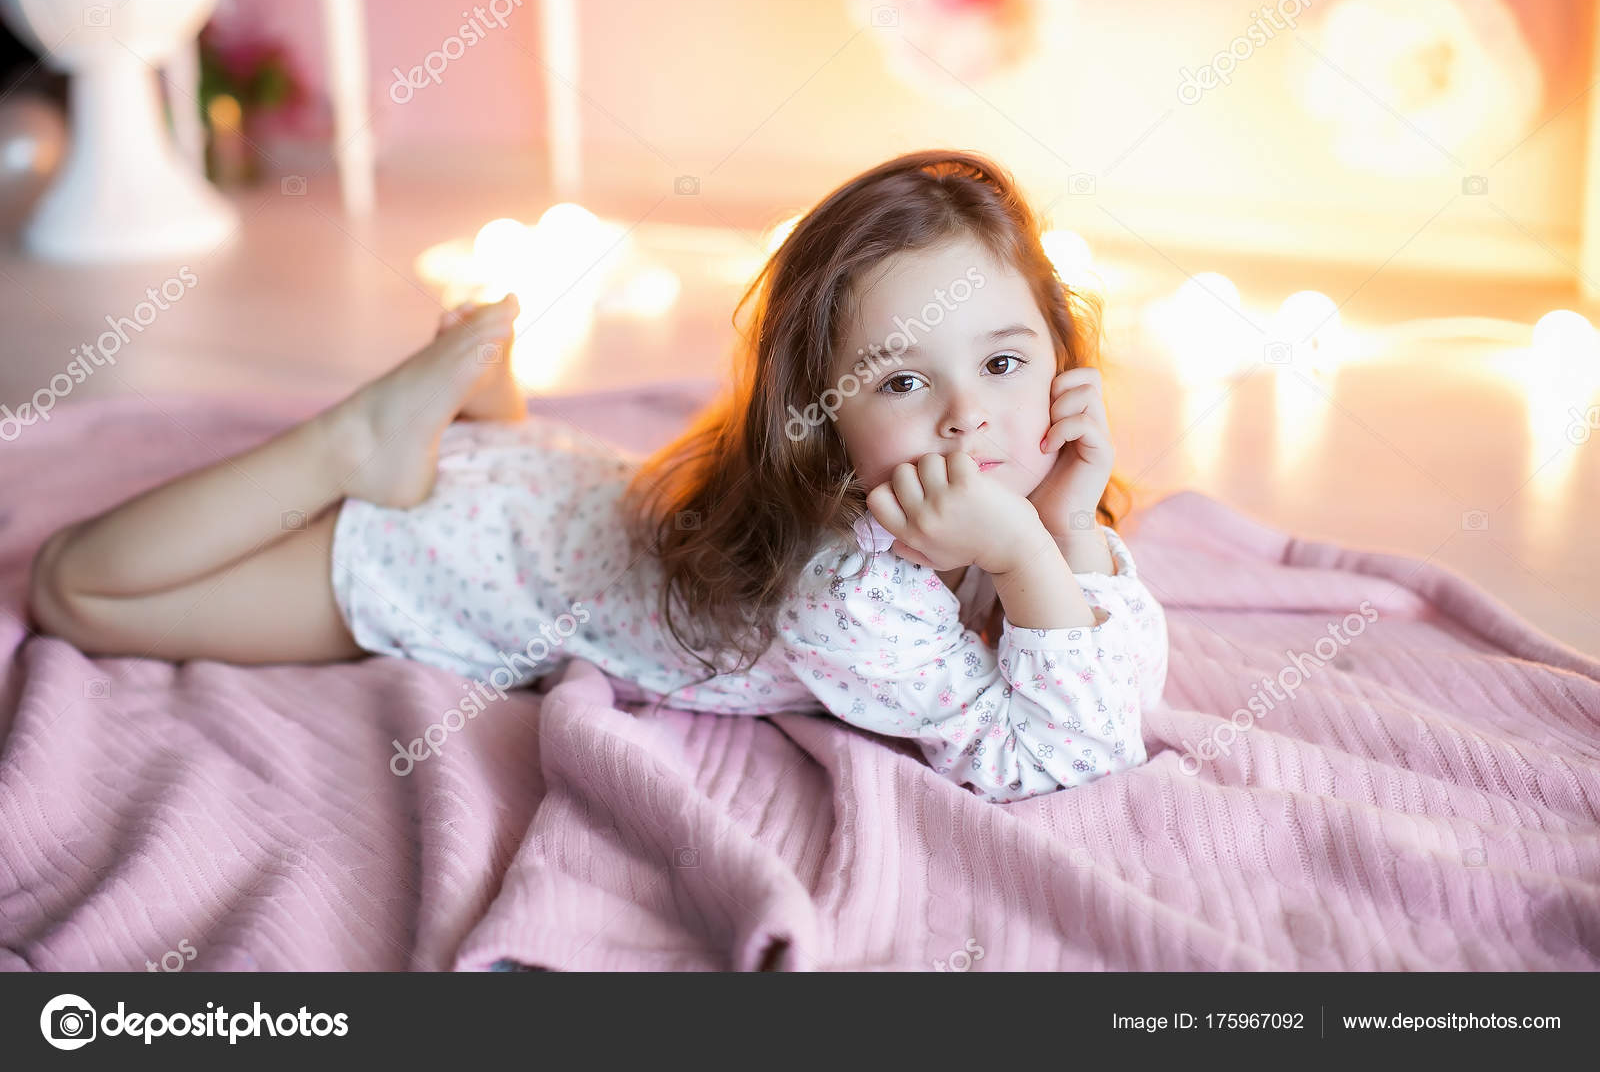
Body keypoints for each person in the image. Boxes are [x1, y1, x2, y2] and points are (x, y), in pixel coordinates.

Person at [28, 149, 1167, 803]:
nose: (974, 415)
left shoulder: (1000, 498)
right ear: (823, 426)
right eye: (902, 384)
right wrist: (1029, 552)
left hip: (549, 490)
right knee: (78, 591)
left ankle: (478, 415)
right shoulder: (853, 598)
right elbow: (1064, 753)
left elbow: (1117, 677)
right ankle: (352, 444)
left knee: (506, 476)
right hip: (462, 566)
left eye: (1005, 361)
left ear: (1059, 354)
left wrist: (1066, 523)